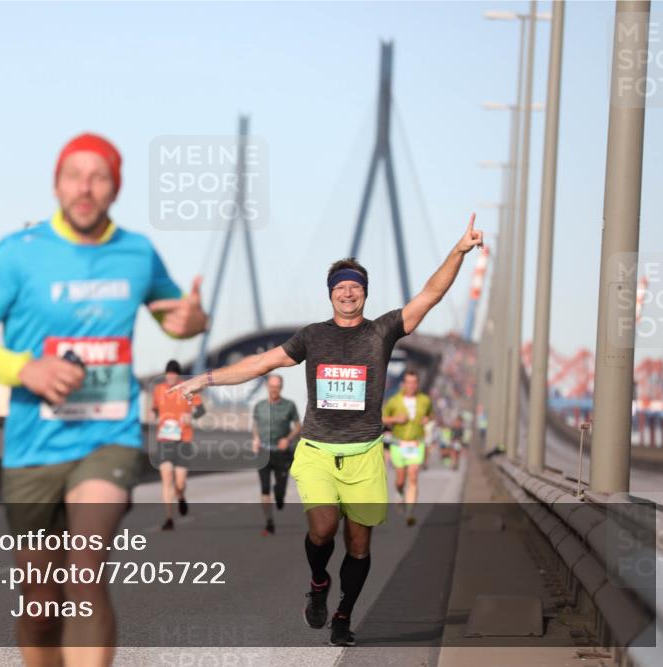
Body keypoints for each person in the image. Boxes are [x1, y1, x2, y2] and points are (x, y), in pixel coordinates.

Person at [0, 134, 208, 667]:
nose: (85, 188)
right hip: (33, 447)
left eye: (99, 176)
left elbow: (175, 315)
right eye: (74, 175)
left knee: (86, 569)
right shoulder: (18, 254)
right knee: (40, 601)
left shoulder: (136, 253)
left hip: (106, 438)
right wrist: (26, 369)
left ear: (116, 187)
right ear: (56, 183)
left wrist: (193, 322)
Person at [171, 214, 482, 646]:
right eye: (340, 287)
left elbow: (429, 294)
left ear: (364, 293)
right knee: (322, 530)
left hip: (366, 453)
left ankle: (342, 614)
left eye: (354, 286)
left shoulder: (383, 331)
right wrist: (205, 379)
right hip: (317, 450)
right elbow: (259, 364)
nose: (348, 292)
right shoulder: (311, 336)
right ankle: (319, 584)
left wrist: (458, 251)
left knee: (358, 546)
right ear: (331, 294)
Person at [152, 359, 204, 530]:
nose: (170, 377)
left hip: (184, 438)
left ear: (178, 375)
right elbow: (154, 409)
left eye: (173, 374)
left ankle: (181, 496)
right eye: (168, 374)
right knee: (166, 479)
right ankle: (169, 518)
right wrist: (158, 417)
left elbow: (201, 410)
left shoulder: (187, 388)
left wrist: (191, 417)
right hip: (164, 439)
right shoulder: (158, 390)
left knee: (179, 483)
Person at [251, 373, 300, 535]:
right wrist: (256, 439)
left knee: (279, 491)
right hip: (264, 452)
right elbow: (256, 425)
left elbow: (298, 427)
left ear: (281, 388)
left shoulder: (289, 405)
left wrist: (288, 438)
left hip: (282, 453)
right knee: (264, 490)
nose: (274, 390)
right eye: (271, 387)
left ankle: (279, 495)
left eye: (277, 387)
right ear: (267, 387)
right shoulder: (259, 406)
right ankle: (269, 522)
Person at [381, 370, 432, 526]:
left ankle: (410, 511)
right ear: (404, 384)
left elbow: (431, 415)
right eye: (408, 382)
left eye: (414, 382)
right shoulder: (394, 401)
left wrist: (427, 419)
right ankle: (399, 492)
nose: (411, 385)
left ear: (417, 384)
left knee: (413, 475)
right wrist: (396, 419)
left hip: (416, 444)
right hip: (399, 444)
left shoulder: (425, 400)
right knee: (401, 479)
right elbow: (382, 418)